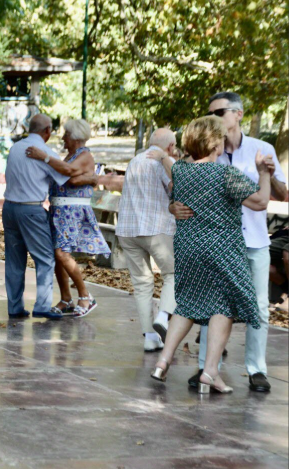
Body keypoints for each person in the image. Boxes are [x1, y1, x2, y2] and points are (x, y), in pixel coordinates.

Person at [174, 92, 287, 393]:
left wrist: (270, 174)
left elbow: (280, 193)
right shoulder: (204, 150)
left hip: (255, 241)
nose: (213, 116)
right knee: (212, 306)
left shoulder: (262, 148)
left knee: (259, 307)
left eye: (219, 111)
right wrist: (174, 207)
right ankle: (207, 370)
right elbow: (177, 191)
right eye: (210, 112)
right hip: (217, 244)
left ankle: (257, 370)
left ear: (238, 114)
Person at [150, 115, 272, 394]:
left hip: (188, 247)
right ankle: (210, 372)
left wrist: (172, 206)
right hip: (222, 249)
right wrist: (263, 174)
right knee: (223, 307)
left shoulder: (181, 171)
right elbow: (261, 202)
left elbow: (173, 189)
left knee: (188, 303)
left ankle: (162, 362)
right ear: (216, 144)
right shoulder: (225, 174)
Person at [3, 114, 90, 320]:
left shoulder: (15, 148)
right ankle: (42, 305)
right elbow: (66, 178)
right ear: (47, 131)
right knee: (45, 258)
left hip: (9, 208)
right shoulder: (45, 153)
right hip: (31, 210)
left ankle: (15, 307)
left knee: (14, 261)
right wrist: (92, 178)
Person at [26, 119, 109, 318]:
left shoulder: (85, 155)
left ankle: (86, 296)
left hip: (72, 211)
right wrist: (85, 178)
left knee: (62, 253)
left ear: (76, 137)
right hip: (58, 210)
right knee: (56, 256)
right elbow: (68, 175)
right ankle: (66, 299)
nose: (62, 138)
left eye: (66, 134)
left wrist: (45, 158)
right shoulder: (70, 155)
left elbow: (69, 174)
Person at [115, 128, 178, 352]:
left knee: (142, 283)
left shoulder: (135, 160)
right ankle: (162, 316)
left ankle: (150, 337)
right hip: (156, 228)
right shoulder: (163, 161)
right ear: (170, 147)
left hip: (128, 230)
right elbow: (175, 188)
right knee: (174, 273)